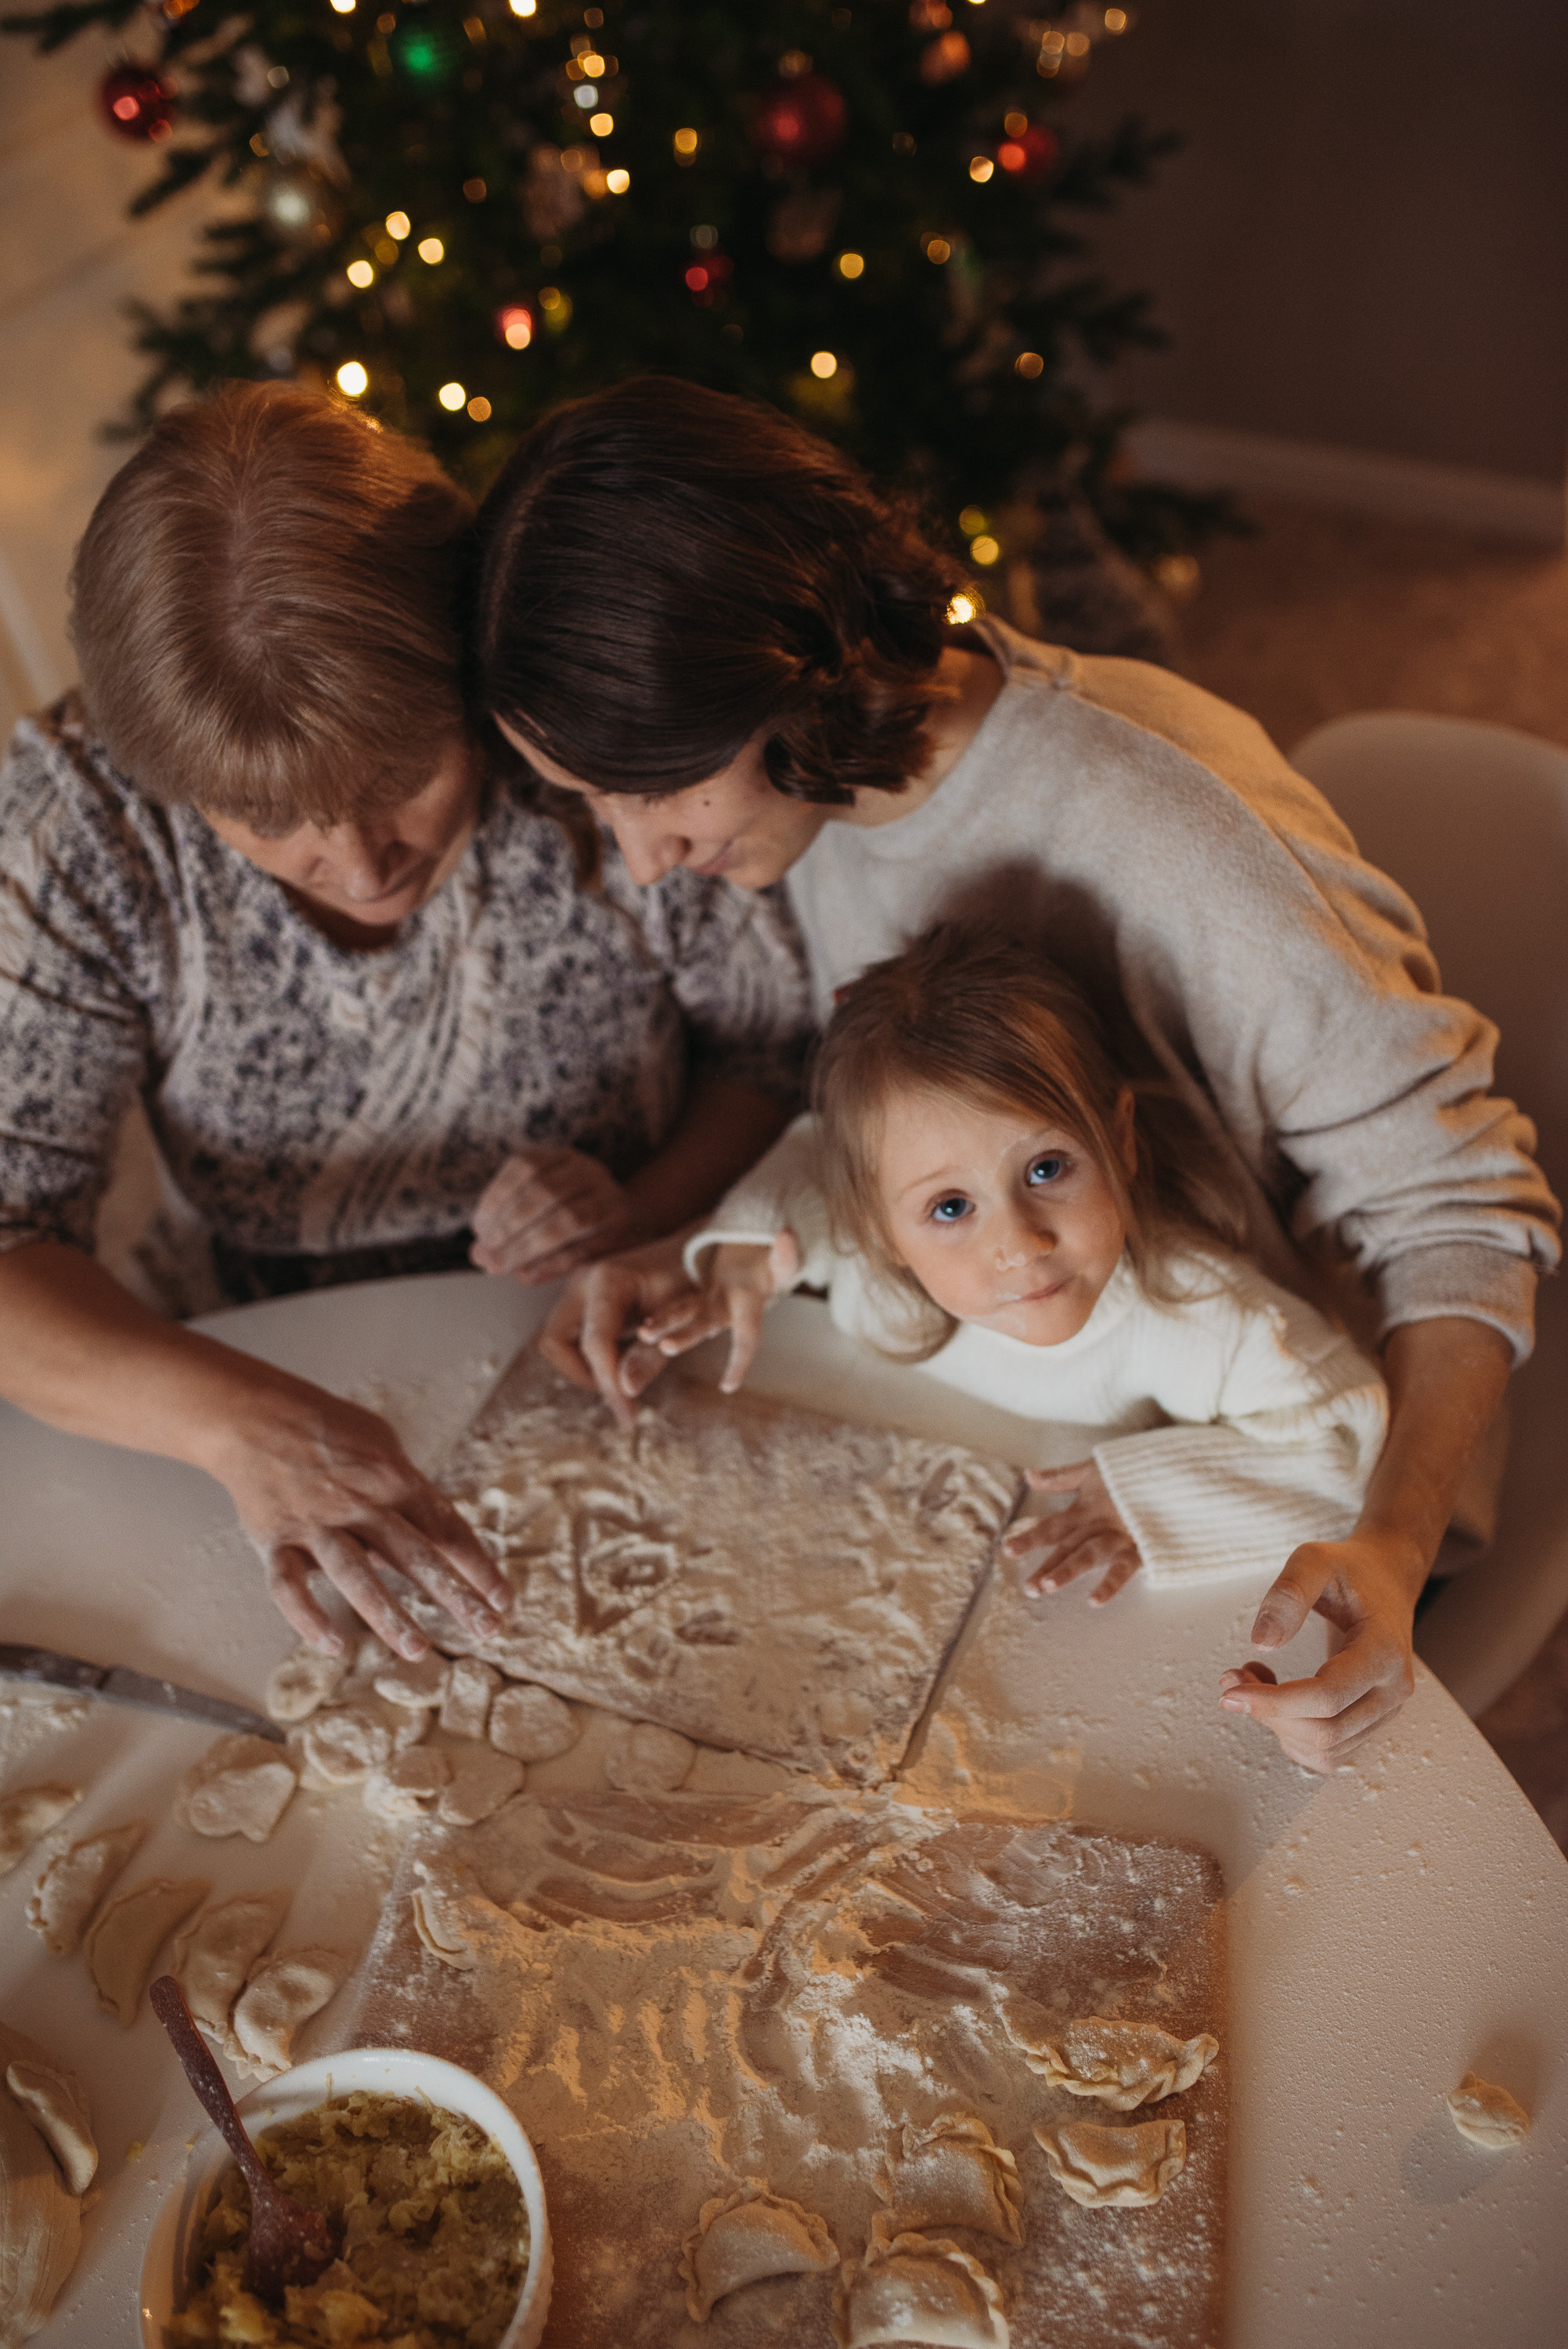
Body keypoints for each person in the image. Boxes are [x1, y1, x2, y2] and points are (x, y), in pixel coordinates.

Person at [469, 373, 1560, 1773]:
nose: (642, 856)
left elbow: (1459, 1210)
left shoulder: (1175, 845)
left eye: (652, 787)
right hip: (1033, 1394)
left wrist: (1394, 1543)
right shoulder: (815, 795)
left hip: (1282, 1459)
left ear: (783, 671)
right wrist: (705, 1245)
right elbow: (889, 1115)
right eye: (598, 803)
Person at [0, 383, 810, 1663]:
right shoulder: (77, 828)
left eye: (401, 780)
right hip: (237, 1361)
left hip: (625, 1324)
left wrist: (652, 1200)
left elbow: (769, 1049)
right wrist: (240, 1429)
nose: (362, 861)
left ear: (470, 673)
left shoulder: (577, 736)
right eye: (267, 824)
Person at [673, 926, 1388, 1615]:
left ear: (1118, 1141)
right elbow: (810, 1155)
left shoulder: (1202, 1315)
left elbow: (1349, 1445)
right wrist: (745, 1250)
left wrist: (1154, 1493)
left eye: (1046, 1169)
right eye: (951, 1207)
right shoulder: (866, 1256)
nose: (1018, 1243)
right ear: (876, 1227)